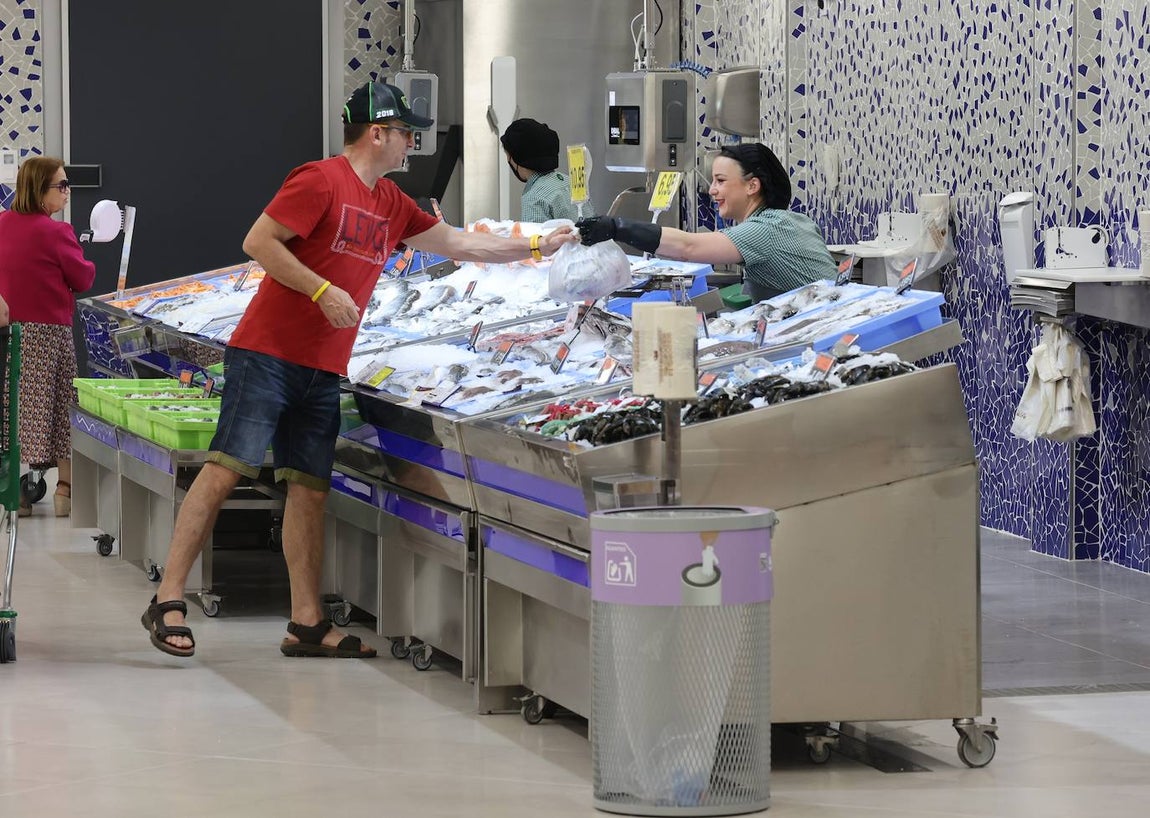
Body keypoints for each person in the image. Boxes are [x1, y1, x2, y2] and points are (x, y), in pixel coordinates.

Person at [142, 81, 577, 659]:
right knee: (226, 469)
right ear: (378, 133)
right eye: (406, 134)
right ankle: (168, 596)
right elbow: (260, 241)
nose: (411, 145)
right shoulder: (319, 179)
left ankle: (305, 623)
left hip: (324, 366)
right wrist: (321, 289)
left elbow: (457, 243)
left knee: (310, 489)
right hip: (267, 354)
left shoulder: (391, 202)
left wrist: (535, 248)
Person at [576, 143, 836, 302]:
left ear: (752, 186)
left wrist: (617, 227)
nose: (711, 190)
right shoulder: (792, 220)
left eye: (721, 181)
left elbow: (688, 247)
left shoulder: (765, 230)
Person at [0, 157, 96, 518]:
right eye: (62, 185)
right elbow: (84, 278)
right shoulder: (57, 233)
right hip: (51, 336)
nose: (68, 192)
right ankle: (64, 489)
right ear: (41, 190)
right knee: (61, 408)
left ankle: (17, 493)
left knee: (15, 412)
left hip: (11, 335)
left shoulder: (2, 225)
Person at [500, 117, 591, 222]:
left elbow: (535, 237)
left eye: (508, 155)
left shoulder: (534, 198)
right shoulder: (572, 183)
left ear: (515, 158)